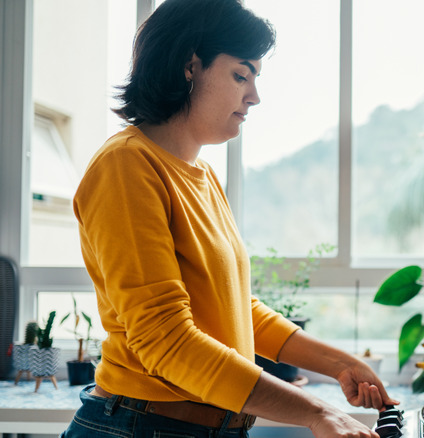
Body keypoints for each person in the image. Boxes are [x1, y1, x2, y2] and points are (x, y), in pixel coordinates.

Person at [61, 1, 397, 437]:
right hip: (142, 426)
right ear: (190, 66)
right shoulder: (126, 167)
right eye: (241, 74)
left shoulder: (202, 176)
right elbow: (167, 341)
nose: (254, 95)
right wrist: (317, 411)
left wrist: (339, 363)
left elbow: (237, 310)